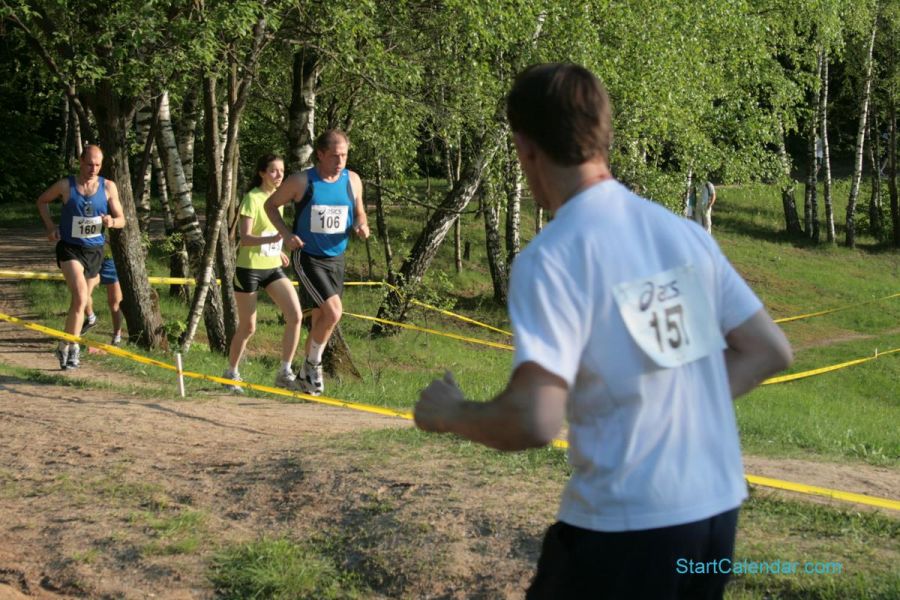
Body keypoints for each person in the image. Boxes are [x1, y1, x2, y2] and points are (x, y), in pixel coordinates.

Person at [414, 63, 793, 599]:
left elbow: (535, 419)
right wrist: (671, 405)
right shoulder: (680, 234)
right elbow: (767, 350)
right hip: (714, 517)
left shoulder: (556, 254)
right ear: (602, 134)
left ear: (526, 148)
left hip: (625, 528)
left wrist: (450, 413)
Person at [265, 130, 369, 396]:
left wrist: (361, 225)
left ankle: (303, 377)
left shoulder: (352, 180)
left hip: (337, 257)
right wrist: (286, 235)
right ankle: (313, 365)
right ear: (320, 155)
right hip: (308, 256)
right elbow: (270, 205)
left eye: (344, 155)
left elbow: (359, 212)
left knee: (324, 317)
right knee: (334, 312)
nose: (340, 161)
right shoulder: (301, 181)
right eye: (334, 155)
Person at [37, 145, 125, 369]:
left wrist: (112, 222)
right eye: (89, 164)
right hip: (70, 249)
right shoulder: (66, 185)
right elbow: (42, 201)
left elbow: (122, 218)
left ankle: (64, 345)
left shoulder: (108, 187)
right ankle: (75, 349)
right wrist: (50, 227)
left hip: (94, 252)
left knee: (81, 301)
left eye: (97, 165)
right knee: (80, 296)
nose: (93, 169)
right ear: (80, 161)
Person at [223, 154, 303, 393]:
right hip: (249, 270)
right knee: (248, 327)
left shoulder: (278, 199)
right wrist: (274, 239)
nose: (279, 176)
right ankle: (231, 373)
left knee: (296, 315)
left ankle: (284, 371)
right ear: (262, 173)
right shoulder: (252, 198)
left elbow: (268, 231)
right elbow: (244, 238)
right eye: (273, 171)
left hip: (271, 268)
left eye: (281, 171)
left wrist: (276, 251)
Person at [81, 241, 125, 346]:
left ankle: (117, 338)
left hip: (111, 260)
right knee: (83, 295)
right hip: (93, 257)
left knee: (115, 303)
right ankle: (91, 318)